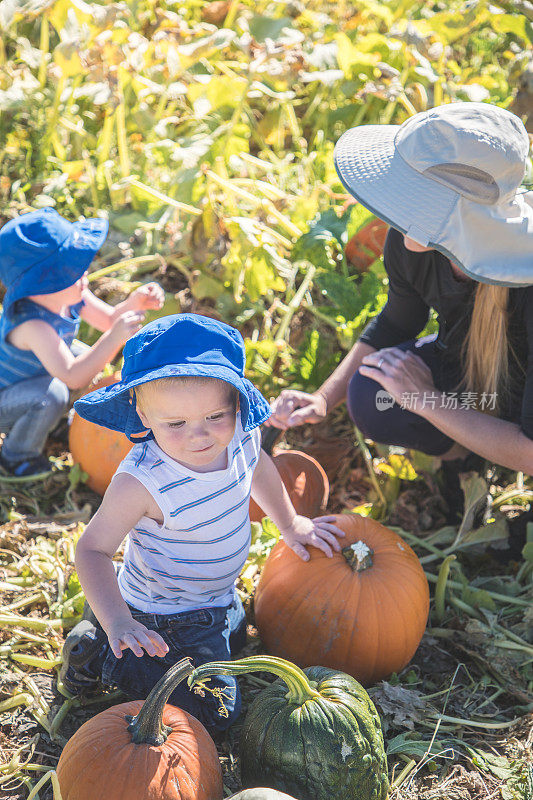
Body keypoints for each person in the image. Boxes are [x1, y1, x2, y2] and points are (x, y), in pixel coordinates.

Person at [59, 314, 344, 730]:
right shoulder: (142, 481)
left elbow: (259, 468)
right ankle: (102, 647)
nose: (200, 436)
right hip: (161, 616)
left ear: (234, 402)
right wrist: (121, 621)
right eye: (176, 424)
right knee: (218, 715)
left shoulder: (242, 437)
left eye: (215, 416)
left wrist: (291, 523)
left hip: (217, 598)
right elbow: (92, 549)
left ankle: (109, 628)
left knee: (236, 639)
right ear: (142, 412)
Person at [268, 102, 533, 517]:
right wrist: (323, 399)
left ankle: (486, 456)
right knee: (372, 394)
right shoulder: (414, 242)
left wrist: (425, 399)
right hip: (475, 381)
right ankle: (462, 460)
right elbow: (397, 321)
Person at [0, 208, 164, 476]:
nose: (84, 276)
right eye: (72, 273)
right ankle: (17, 456)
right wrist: (113, 339)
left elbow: (109, 320)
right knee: (52, 394)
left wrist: (135, 302)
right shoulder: (33, 326)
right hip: (6, 399)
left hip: (38, 374)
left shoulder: (74, 293)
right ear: (42, 285)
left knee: (87, 356)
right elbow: (73, 376)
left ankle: (58, 421)